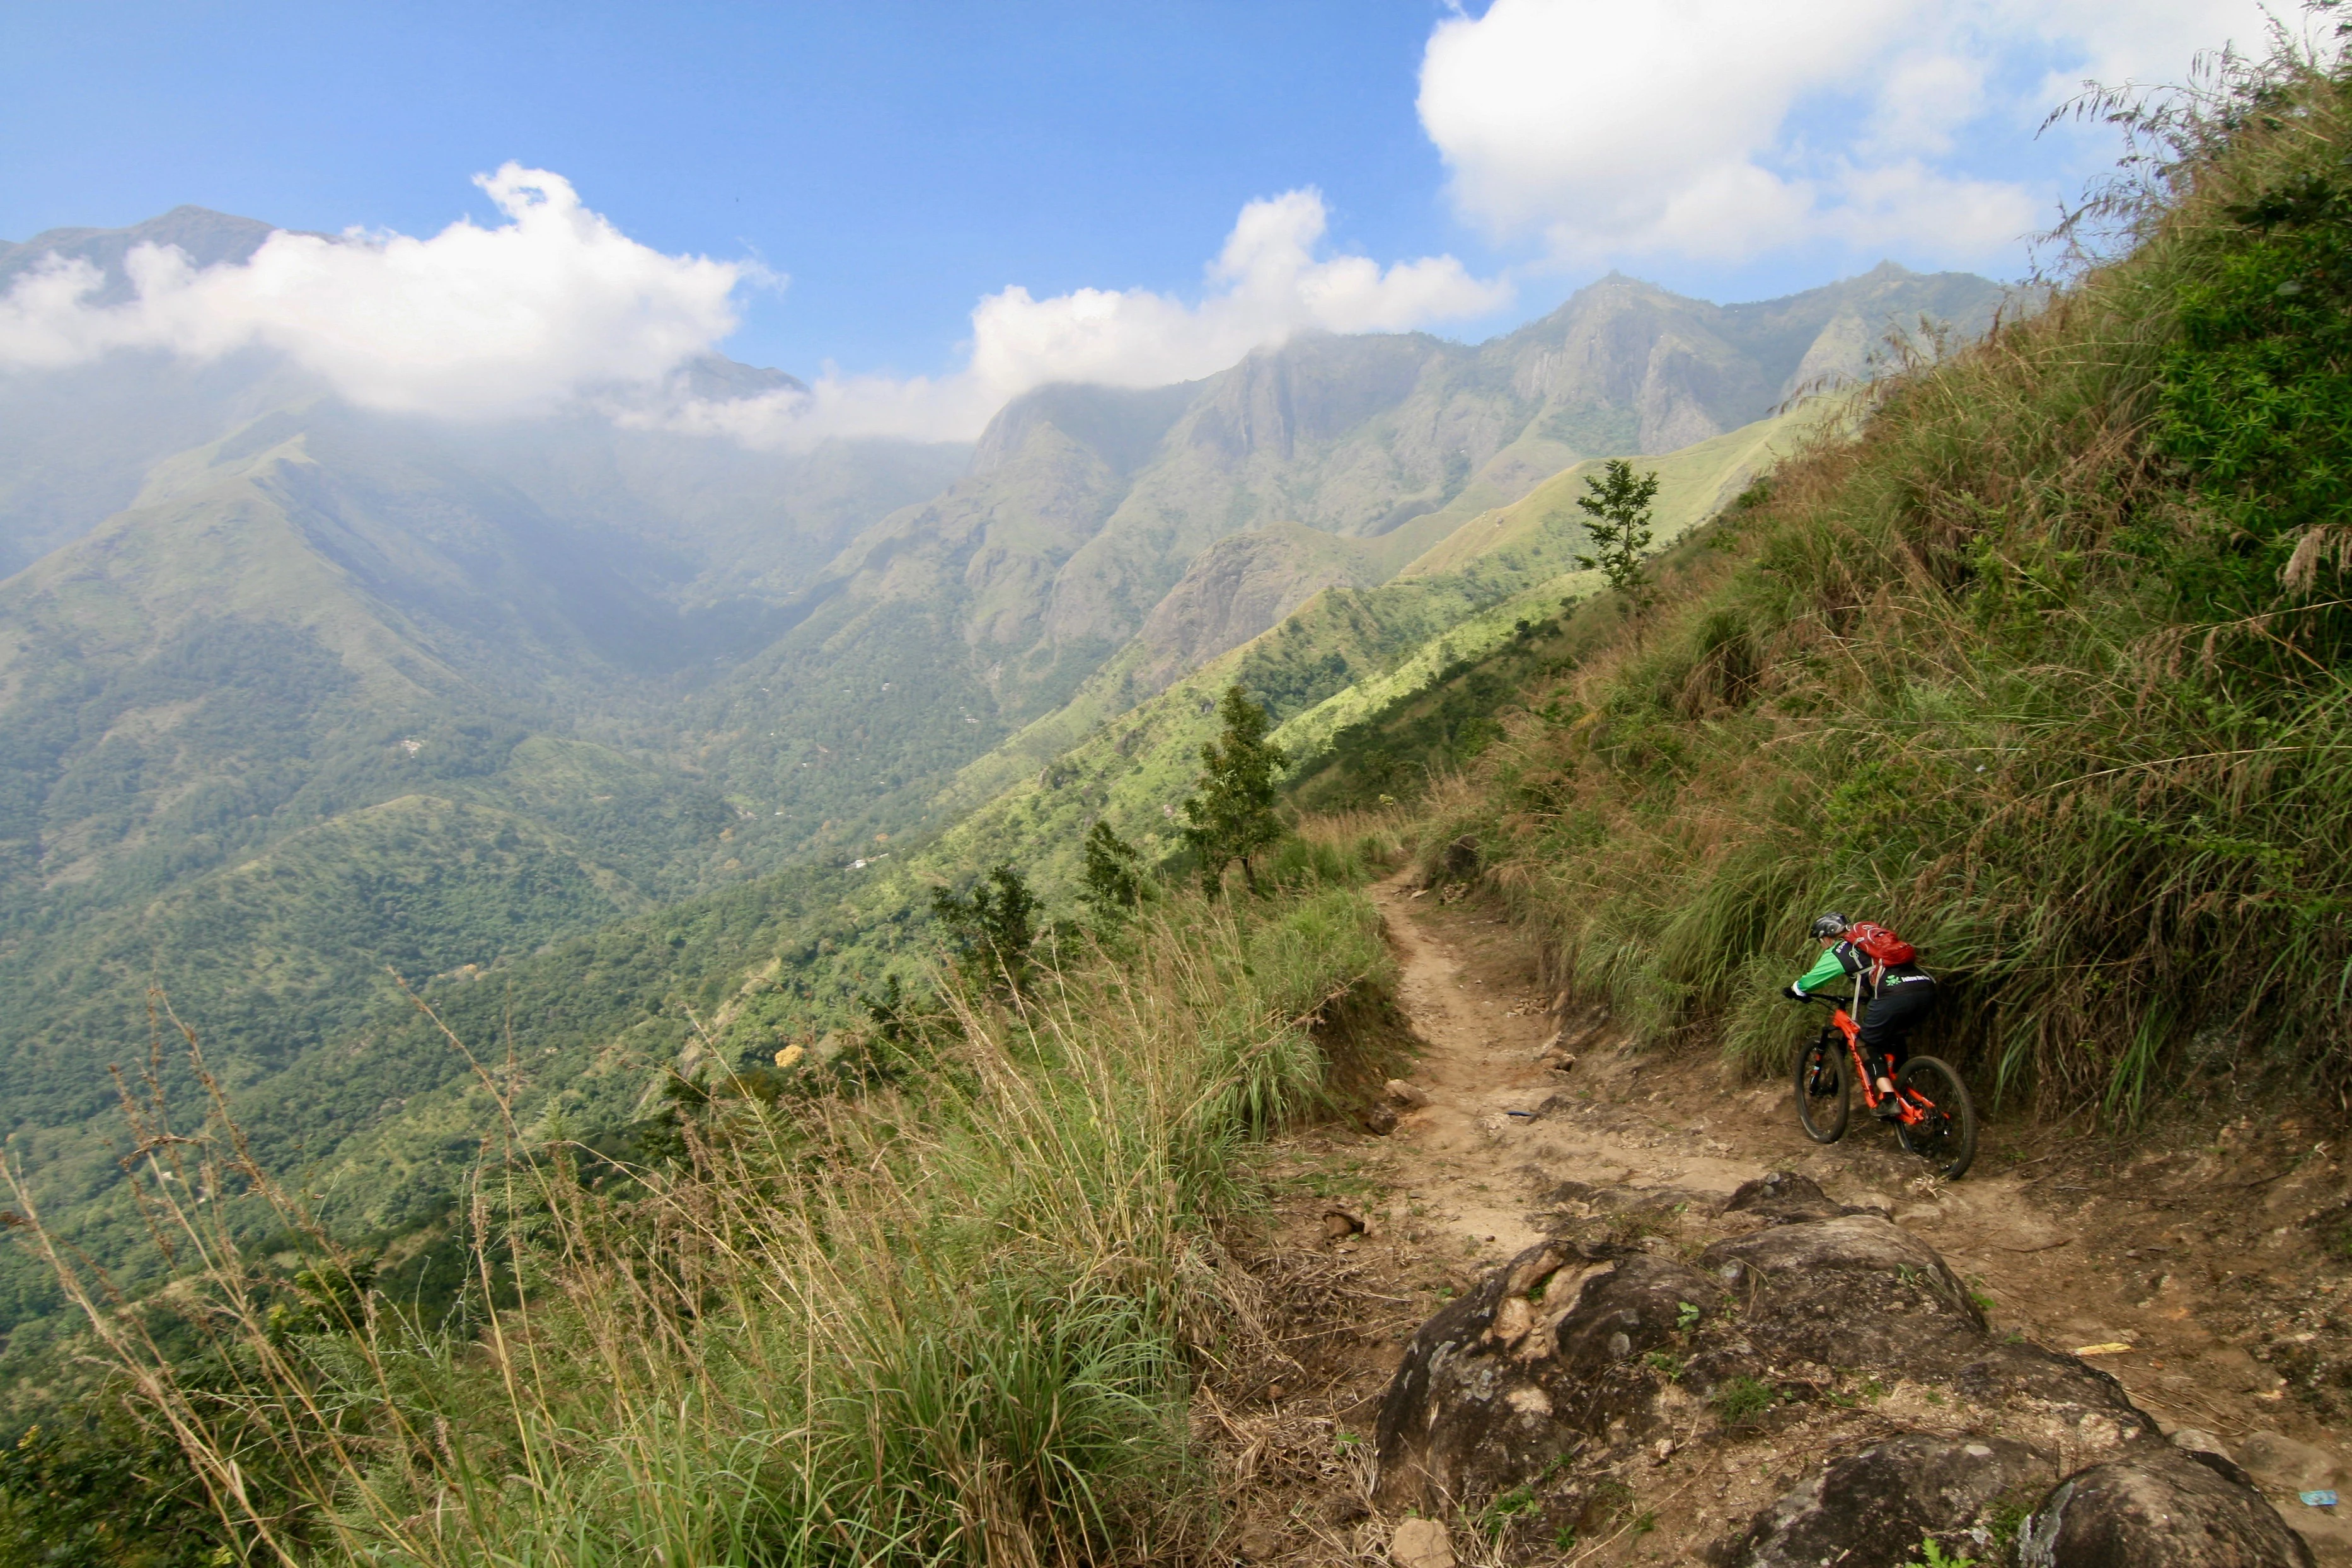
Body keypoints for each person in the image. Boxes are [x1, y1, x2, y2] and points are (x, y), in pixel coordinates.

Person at [1784, 912, 1936, 1117]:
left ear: (1827, 937)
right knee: (1892, 1035)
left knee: (1866, 1042)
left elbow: (1811, 981)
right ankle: (1901, 1083)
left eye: (1820, 941)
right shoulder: (1871, 940)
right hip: (1926, 989)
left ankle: (1890, 1099)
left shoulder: (1841, 948)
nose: (1822, 945)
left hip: (1893, 995)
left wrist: (1796, 989)